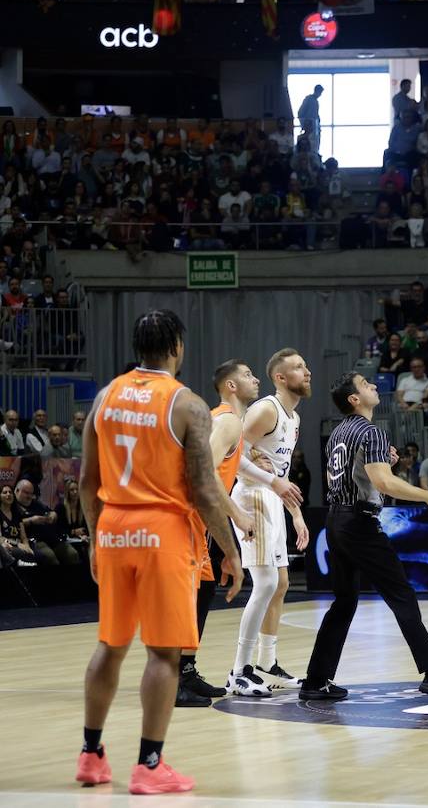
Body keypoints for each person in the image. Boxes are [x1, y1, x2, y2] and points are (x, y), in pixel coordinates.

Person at [76, 309, 246, 794]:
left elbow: (87, 482)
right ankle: (149, 765)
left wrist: (94, 536)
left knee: (110, 645)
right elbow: (205, 490)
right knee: (164, 654)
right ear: (176, 347)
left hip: (113, 527)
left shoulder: (105, 396)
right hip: (161, 530)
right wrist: (230, 552)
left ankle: (91, 755)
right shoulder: (187, 405)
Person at [299, 372, 428, 703]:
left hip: (336, 520)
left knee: (345, 601)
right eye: (366, 385)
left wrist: (384, 464)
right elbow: (384, 484)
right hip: (360, 523)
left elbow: (363, 472)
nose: (374, 387)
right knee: (402, 595)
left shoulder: (338, 432)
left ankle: (316, 680)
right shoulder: (370, 431)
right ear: (354, 399)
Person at [225, 349, 311, 696]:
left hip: (273, 499)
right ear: (280, 377)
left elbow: (283, 472)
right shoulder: (266, 409)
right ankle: (239, 670)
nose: (307, 372)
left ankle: (266, 663)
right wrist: (270, 481)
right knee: (264, 583)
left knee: (281, 583)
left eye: (305, 367)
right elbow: (231, 455)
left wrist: (296, 514)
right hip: (251, 497)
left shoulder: (294, 418)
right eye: (298, 368)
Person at [177, 359, 261, 708]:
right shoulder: (226, 419)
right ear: (230, 386)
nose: (255, 379)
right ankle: (173, 679)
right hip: (190, 516)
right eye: (246, 375)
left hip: (203, 518)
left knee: (205, 588)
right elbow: (203, 472)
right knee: (187, 598)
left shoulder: (231, 423)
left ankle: (186, 669)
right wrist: (237, 514)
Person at [297, 84, 323, 153]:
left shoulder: (315, 101)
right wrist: (304, 124)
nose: (320, 94)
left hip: (315, 126)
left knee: (315, 143)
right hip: (309, 124)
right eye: (320, 92)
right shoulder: (308, 99)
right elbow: (300, 113)